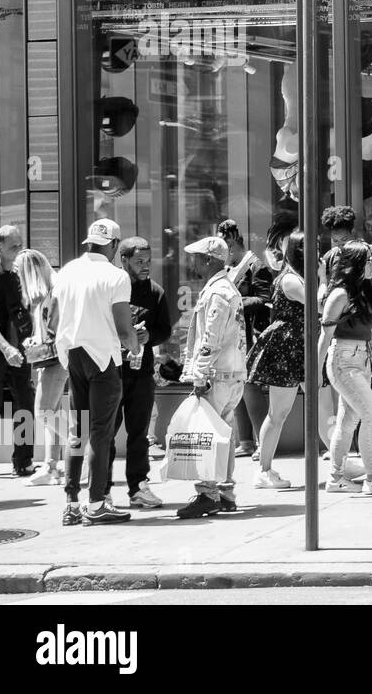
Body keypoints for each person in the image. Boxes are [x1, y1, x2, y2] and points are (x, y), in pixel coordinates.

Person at [52, 219, 140, 526]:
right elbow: (122, 327)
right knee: (101, 433)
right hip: (102, 357)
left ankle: (71, 503)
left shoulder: (66, 272)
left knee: (78, 432)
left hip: (73, 354)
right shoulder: (116, 276)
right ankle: (98, 502)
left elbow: (53, 318)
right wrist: (135, 344)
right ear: (114, 245)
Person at [317, 240, 372, 495]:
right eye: (370, 261)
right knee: (371, 415)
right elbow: (325, 337)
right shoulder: (339, 295)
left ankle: (336, 478)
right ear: (357, 264)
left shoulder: (366, 291)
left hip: (360, 361)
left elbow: (371, 332)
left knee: (348, 420)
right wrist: (313, 373)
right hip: (343, 360)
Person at [176, 235, 248, 519]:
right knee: (225, 436)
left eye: (196, 257)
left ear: (208, 260)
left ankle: (208, 492)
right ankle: (225, 492)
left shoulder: (218, 291)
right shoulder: (226, 288)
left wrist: (199, 373)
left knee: (205, 435)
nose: (192, 262)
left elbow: (211, 337)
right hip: (231, 372)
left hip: (217, 374)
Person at [113, 237, 174, 508]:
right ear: (123, 260)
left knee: (139, 434)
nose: (145, 266)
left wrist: (149, 335)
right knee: (105, 432)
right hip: (111, 372)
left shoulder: (155, 292)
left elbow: (165, 330)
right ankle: (100, 492)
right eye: (139, 261)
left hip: (141, 371)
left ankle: (138, 487)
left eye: (148, 261)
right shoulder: (113, 288)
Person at [247, 231, 307, 490]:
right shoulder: (292, 280)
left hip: (298, 347)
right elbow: (319, 303)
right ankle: (264, 469)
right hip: (288, 349)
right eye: (309, 247)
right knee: (278, 413)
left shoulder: (294, 277)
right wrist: (325, 277)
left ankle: (341, 464)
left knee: (321, 407)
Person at [219, 219, 273, 459]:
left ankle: (263, 442)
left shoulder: (255, 266)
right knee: (236, 386)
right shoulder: (228, 268)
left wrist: (237, 304)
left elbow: (264, 299)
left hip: (250, 335)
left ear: (231, 242)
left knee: (250, 387)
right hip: (232, 335)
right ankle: (246, 441)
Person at [0, 225, 36, 478]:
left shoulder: (17, 276)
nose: (18, 249)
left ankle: (23, 461)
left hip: (20, 352)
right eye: (13, 246)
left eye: (20, 244)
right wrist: (5, 348)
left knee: (25, 404)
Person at [15, 249, 66, 486]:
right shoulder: (52, 290)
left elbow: (57, 330)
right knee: (51, 413)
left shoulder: (53, 293)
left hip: (56, 359)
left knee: (44, 411)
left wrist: (39, 340)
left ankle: (83, 449)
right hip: (55, 358)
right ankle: (51, 466)